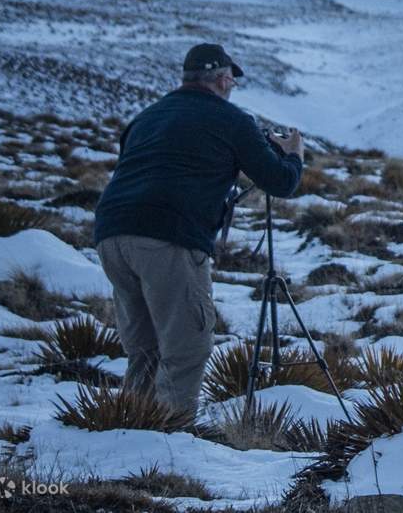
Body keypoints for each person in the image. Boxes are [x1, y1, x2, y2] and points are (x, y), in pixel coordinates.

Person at [92, 43, 305, 421]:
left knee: (145, 349)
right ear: (223, 79)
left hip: (112, 233)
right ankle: (169, 441)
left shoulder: (147, 117)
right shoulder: (232, 120)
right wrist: (292, 155)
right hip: (169, 237)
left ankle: (127, 432)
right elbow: (280, 182)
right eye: (231, 83)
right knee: (186, 347)